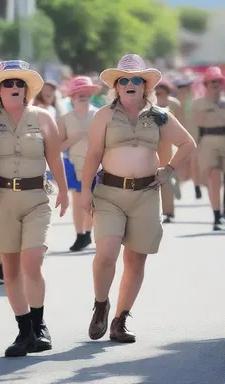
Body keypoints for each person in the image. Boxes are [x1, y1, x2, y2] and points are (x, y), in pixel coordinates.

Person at [81, 54, 195, 343]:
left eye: (136, 80)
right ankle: (101, 304)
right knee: (106, 254)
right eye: (124, 80)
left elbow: (187, 144)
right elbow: (93, 154)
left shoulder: (160, 115)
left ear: (145, 86)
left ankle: (120, 320)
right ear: (116, 87)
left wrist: (167, 170)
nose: (130, 84)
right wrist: (84, 192)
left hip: (146, 194)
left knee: (136, 261)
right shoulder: (104, 115)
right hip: (109, 193)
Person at [0, 60, 69, 357]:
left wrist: (65, 192)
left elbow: (55, 158)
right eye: (8, 83)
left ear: (28, 89)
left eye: (20, 83)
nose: (15, 88)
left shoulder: (43, 117)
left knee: (32, 262)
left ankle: (40, 325)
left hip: (35, 198)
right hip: (0, 199)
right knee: (11, 269)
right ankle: (24, 330)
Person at [58, 76, 99, 251]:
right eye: (78, 93)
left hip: (97, 165)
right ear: (72, 97)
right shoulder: (64, 119)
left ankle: (88, 233)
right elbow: (58, 146)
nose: (82, 96)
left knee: (93, 201)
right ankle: (79, 235)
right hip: (74, 164)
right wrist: (73, 138)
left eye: (86, 93)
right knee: (77, 200)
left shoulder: (99, 114)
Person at [190, 67, 225, 231]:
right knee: (214, 178)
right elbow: (194, 128)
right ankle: (217, 215)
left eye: (218, 81)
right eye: (212, 81)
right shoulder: (198, 104)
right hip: (208, 141)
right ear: (206, 84)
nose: (215, 84)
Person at [155, 78, 184, 223]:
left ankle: (168, 211)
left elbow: (181, 126)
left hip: (170, 144)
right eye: (157, 92)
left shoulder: (174, 104)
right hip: (154, 144)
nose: (159, 94)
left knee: (167, 179)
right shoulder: (149, 104)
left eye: (162, 92)